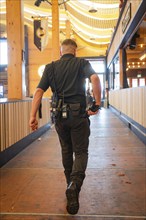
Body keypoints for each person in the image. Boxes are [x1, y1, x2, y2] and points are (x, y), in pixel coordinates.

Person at [29, 39, 101, 215]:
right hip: (78, 115)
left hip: (59, 117)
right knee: (81, 151)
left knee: (66, 151)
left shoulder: (50, 67)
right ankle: (74, 185)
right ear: (75, 51)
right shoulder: (82, 63)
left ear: (61, 52)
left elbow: (38, 91)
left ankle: (69, 184)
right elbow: (95, 78)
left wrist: (33, 116)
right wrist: (96, 104)